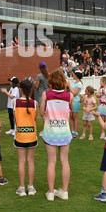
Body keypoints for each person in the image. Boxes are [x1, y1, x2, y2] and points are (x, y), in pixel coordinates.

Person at [40, 69, 72, 201]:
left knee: (51, 162)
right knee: (64, 161)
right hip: (64, 132)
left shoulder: (46, 95)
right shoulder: (69, 96)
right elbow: (69, 112)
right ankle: (64, 191)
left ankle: (51, 192)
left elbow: (42, 112)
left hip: (51, 132)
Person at [14, 79, 38, 196]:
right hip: (31, 135)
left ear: (20, 89)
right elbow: (35, 119)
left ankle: (22, 188)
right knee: (30, 161)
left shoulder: (15, 102)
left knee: (22, 161)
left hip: (20, 135)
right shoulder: (35, 103)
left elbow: (15, 118)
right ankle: (31, 187)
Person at [69, 71, 83, 138]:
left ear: (76, 76)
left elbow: (75, 94)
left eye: (74, 75)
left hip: (76, 101)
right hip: (71, 101)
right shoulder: (75, 83)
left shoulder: (79, 84)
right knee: (71, 117)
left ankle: (76, 132)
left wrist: (69, 87)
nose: (73, 76)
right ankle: (73, 131)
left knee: (75, 117)